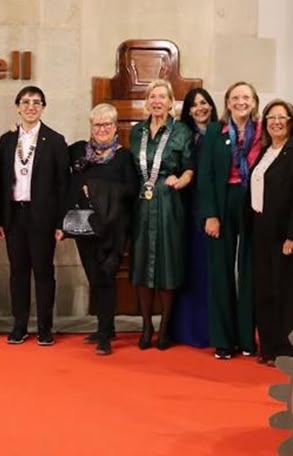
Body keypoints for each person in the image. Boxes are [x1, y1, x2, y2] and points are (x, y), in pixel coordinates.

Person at [0, 86, 69, 346]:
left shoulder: (56, 140)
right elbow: (0, 183)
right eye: (25, 102)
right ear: (17, 107)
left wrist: (61, 223)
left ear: (43, 108)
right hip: (15, 216)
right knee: (18, 273)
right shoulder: (6, 140)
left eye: (36, 102)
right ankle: (20, 325)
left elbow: (63, 186)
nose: (30, 107)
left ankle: (45, 327)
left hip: (43, 219)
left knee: (44, 273)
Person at [65, 104, 139, 355]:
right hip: (86, 227)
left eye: (107, 124)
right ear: (91, 126)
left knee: (107, 277)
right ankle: (104, 327)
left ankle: (106, 334)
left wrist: (97, 189)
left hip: (113, 229)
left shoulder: (123, 156)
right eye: (97, 124)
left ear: (115, 126)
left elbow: (131, 190)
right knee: (95, 278)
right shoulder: (79, 152)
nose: (102, 129)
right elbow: (51, 157)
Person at [248, 99, 293, 366]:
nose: (276, 122)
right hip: (261, 230)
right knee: (264, 290)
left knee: (285, 292)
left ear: (291, 122)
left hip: (284, 234)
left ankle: (286, 349)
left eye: (282, 117)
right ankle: (268, 346)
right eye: (271, 117)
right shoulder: (266, 151)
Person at [199, 81, 263, 360]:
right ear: (227, 103)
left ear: (254, 101)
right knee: (221, 271)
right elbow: (206, 175)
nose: (241, 102)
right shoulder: (215, 131)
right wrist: (211, 214)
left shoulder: (263, 130)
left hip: (253, 203)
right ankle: (224, 340)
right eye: (235, 97)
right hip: (223, 201)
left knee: (249, 270)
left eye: (246, 97)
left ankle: (247, 337)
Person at [129, 79, 194, 350]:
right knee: (142, 263)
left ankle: (165, 328)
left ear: (171, 102)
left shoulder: (181, 132)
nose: (157, 101)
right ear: (147, 102)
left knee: (168, 264)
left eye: (162, 97)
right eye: (152, 96)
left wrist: (182, 180)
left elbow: (190, 167)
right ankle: (146, 326)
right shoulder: (137, 132)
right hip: (141, 205)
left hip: (169, 202)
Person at [172, 87, 218, 348]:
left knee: (212, 272)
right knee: (190, 270)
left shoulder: (223, 132)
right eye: (194, 105)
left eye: (204, 103)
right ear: (187, 111)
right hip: (189, 212)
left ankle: (213, 328)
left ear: (211, 106)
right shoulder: (185, 136)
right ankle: (187, 329)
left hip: (214, 214)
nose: (200, 108)